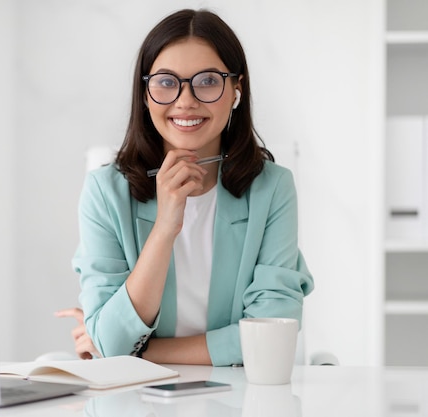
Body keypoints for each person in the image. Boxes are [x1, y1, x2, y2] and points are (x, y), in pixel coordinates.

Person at [58, 8, 314, 366]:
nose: (186, 100)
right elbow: (113, 341)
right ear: (145, 95)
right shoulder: (104, 192)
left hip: (237, 396)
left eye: (208, 81)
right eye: (166, 82)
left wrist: (143, 352)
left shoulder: (272, 189)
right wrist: (165, 227)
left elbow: (271, 333)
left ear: (236, 90)